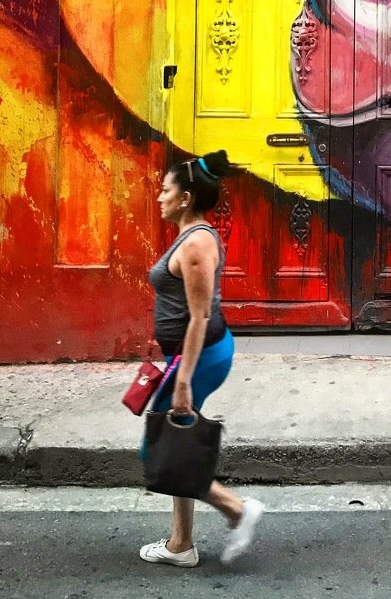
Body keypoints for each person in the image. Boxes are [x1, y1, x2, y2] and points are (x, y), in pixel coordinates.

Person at [139, 150, 264, 569]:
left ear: (186, 197)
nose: (159, 197)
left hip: (203, 357)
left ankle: (237, 510)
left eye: (165, 190)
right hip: (192, 355)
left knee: (156, 449)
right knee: (177, 442)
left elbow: (199, 316)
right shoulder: (190, 234)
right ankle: (181, 545)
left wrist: (183, 381)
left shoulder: (195, 243)